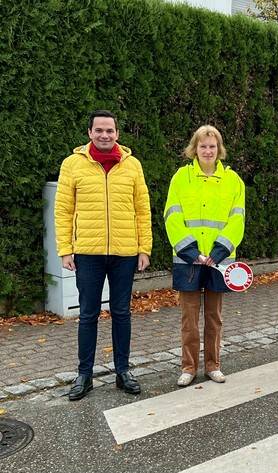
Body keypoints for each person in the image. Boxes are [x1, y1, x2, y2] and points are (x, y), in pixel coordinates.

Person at [55, 110, 152, 401]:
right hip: (88, 252)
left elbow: (142, 209)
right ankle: (84, 374)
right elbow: (63, 210)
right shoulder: (72, 165)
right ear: (89, 133)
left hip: (124, 252)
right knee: (88, 314)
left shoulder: (132, 165)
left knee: (122, 312)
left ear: (118, 133)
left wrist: (143, 248)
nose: (105, 135)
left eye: (110, 130)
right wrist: (65, 249)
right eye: (99, 130)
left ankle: (123, 371)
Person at [164, 125, 245, 387]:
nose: (208, 151)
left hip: (218, 262)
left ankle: (213, 365)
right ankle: (188, 367)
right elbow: (172, 217)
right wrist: (191, 252)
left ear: (218, 149)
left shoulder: (233, 181)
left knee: (214, 317)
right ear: (194, 149)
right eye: (203, 146)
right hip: (189, 260)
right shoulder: (180, 178)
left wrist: (219, 252)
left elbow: (237, 220)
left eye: (212, 146)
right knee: (189, 318)